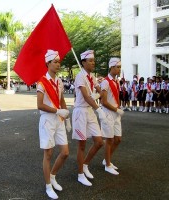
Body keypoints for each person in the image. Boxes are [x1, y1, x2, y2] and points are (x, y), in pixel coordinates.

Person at [36, 50, 71, 199]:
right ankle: (48, 185)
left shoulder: (59, 81)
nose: (58, 64)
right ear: (48, 63)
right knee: (48, 154)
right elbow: (39, 105)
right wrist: (58, 111)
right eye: (55, 62)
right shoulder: (41, 82)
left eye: (59, 61)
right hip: (47, 120)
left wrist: (66, 115)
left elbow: (61, 99)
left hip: (59, 119)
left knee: (65, 152)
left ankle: (53, 176)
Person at [72, 50, 108, 187]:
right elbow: (86, 97)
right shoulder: (80, 76)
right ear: (83, 62)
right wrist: (99, 109)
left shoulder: (92, 76)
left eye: (94, 60)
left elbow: (99, 92)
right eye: (91, 60)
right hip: (80, 112)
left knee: (99, 142)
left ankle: (85, 164)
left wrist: (101, 91)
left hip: (90, 111)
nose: (93, 63)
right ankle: (80, 174)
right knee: (81, 145)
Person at [100, 57, 124, 176]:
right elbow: (103, 102)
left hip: (115, 113)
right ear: (111, 67)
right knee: (109, 140)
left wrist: (118, 108)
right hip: (108, 113)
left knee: (118, 139)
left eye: (120, 67)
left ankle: (106, 159)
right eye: (118, 67)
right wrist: (116, 109)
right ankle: (108, 165)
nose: (119, 69)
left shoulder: (116, 81)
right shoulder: (105, 82)